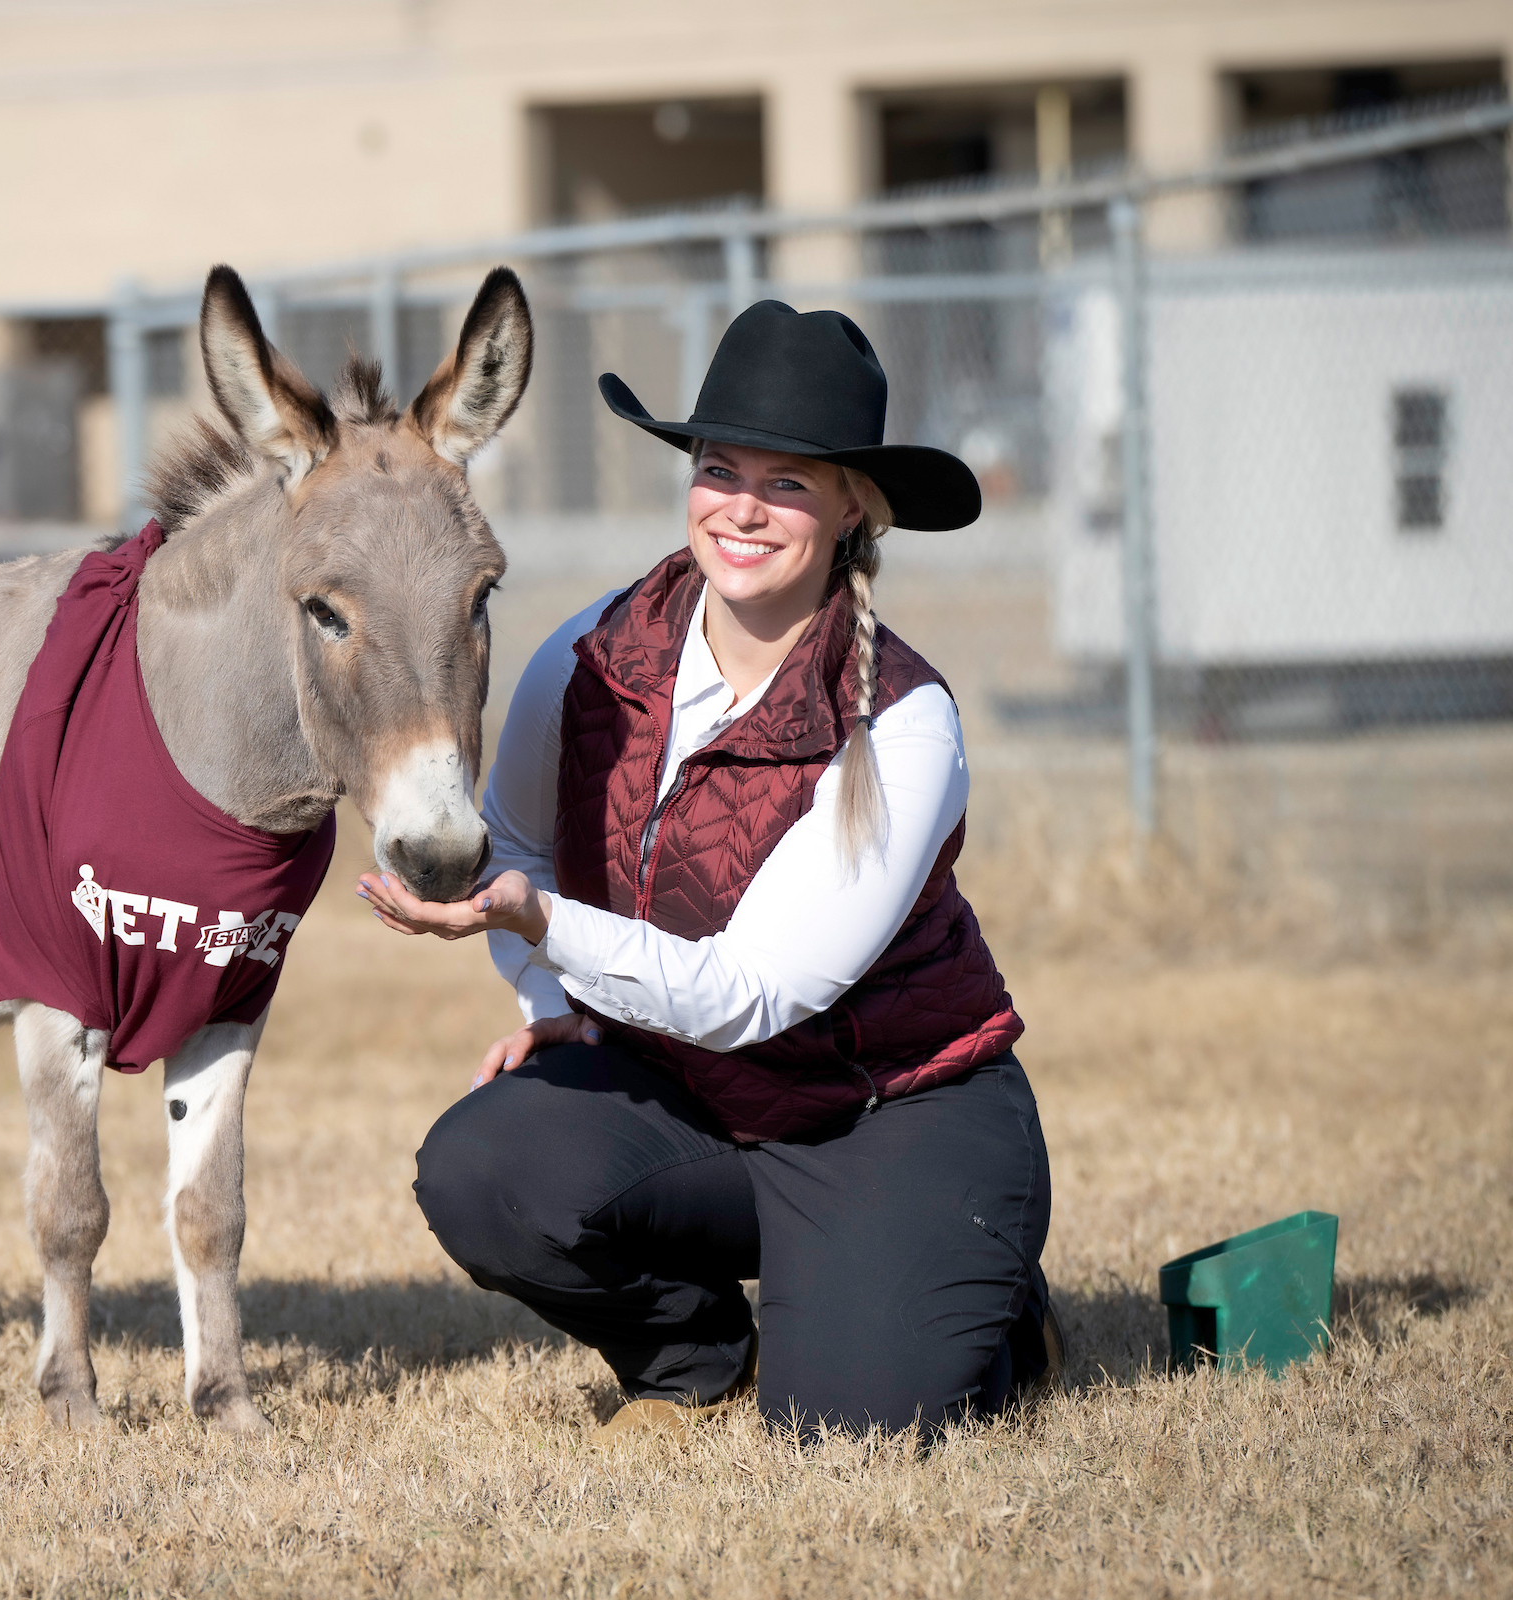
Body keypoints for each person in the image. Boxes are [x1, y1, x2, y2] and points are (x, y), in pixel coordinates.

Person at [357, 301, 1059, 1444]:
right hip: (693, 1094)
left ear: (852, 509)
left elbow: (754, 993)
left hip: (889, 1112)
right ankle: (696, 1355)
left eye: (786, 483)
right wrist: (554, 1007)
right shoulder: (585, 658)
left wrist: (547, 926)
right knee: (483, 1169)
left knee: (852, 1426)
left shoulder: (906, 723)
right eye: (718, 467)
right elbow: (520, 839)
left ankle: (977, 1288)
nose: (740, 508)